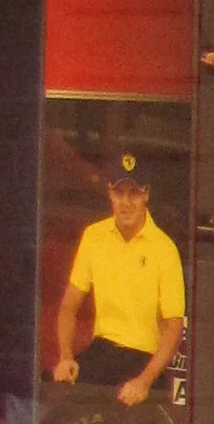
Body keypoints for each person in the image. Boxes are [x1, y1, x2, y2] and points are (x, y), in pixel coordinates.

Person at [47, 151, 183, 404]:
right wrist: (66, 356)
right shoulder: (94, 236)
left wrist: (143, 383)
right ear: (109, 193)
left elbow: (173, 329)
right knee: (48, 396)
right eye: (119, 193)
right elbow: (68, 307)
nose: (126, 202)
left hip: (144, 360)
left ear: (146, 195)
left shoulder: (165, 249)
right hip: (103, 352)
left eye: (134, 193)